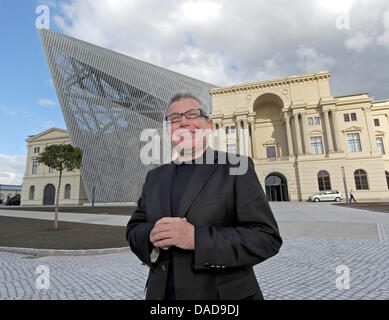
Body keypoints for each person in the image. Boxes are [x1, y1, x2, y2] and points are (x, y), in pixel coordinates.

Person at [126, 92, 282, 300]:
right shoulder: (155, 177)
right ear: (167, 131)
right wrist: (151, 236)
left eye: (192, 114)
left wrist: (197, 239)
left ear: (208, 125)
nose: (183, 121)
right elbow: (134, 228)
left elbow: (265, 237)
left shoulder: (237, 167)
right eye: (174, 118)